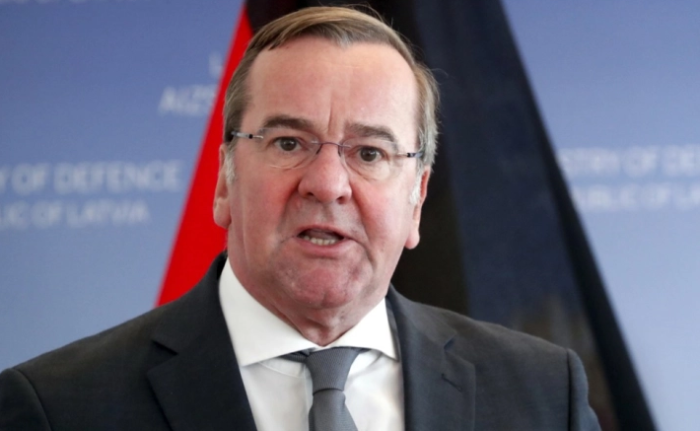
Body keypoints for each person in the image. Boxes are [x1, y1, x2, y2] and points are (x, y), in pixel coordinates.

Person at [0, 6, 600, 430]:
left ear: (417, 198)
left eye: (370, 153)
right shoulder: (57, 407)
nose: (328, 184)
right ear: (225, 180)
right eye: (288, 142)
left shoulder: (545, 395)